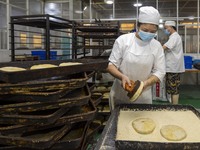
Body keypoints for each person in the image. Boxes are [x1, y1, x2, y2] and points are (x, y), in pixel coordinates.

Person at [107, 6, 166, 110]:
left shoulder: (156, 46)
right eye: (145, 30)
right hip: (120, 94)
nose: (148, 33)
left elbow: (160, 72)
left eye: (152, 31)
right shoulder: (123, 41)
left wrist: (144, 84)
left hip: (143, 95)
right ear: (138, 26)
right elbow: (111, 65)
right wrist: (122, 77)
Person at [163, 21, 185, 104]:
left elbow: (165, 47)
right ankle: (173, 105)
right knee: (171, 88)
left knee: (174, 88)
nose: (165, 29)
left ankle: (175, 106)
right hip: (172, 67)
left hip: (173, 67)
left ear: (171, 27)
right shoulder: (173, 37)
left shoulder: (174, 37)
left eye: (166, 28)